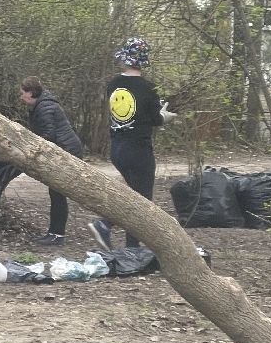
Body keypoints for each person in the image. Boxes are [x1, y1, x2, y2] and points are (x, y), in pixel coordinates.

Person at [90, 37, 176, 250]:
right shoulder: (148, 88)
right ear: (143, 62)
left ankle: (132, 248)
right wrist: (166, 115)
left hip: (118, 148)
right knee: (142, 201)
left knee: (134, 197)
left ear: (124, 60)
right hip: (139, 150)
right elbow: (155, 120)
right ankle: (105, 224)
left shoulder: (113, 85)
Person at [19, 76, 85, 246]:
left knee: (57, 194)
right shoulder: (41, 105)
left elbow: (49, 135)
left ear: (31, 93)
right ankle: (54, 232)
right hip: (64, 150)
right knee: (55, 194)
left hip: (67, 152)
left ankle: (57, 234)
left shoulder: (44, 107)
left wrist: (32, 149)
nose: (21, 97)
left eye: (23, 93)